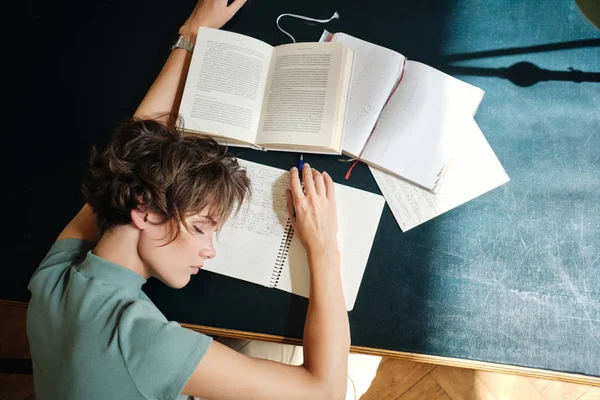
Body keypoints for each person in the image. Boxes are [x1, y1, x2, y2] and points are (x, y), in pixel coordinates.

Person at [26, 0, 351, 399]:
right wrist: (324, 246)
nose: (209, 250)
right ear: (143, 211)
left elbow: (134, 150)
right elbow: (326, 392)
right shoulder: (145, 345)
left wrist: (192, 33)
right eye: (200, 227)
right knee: (353, 370)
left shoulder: (53, 280)